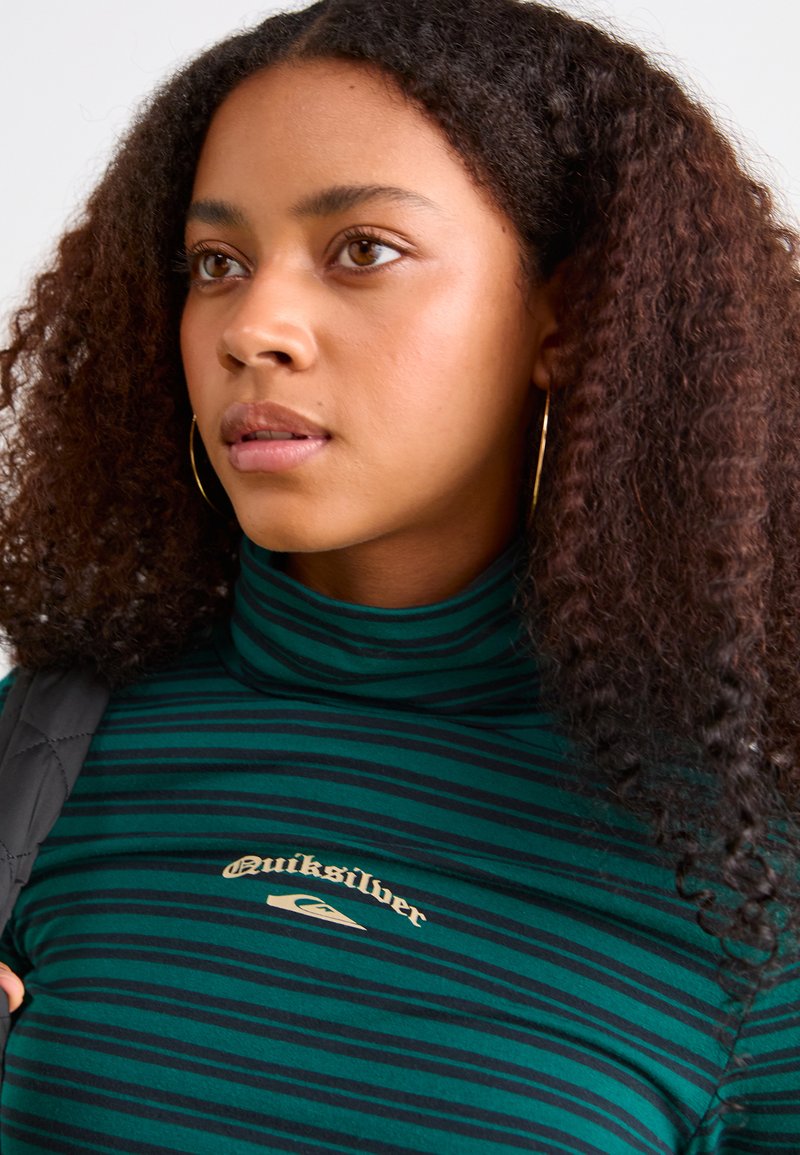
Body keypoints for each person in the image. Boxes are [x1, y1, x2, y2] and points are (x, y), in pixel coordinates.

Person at [0, 0, 798, 1150]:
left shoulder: (744, 879)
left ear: (565, 315)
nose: (252, 327)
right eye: (216, 263)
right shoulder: (42, 755)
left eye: (362, 250)